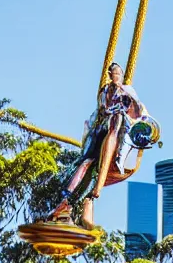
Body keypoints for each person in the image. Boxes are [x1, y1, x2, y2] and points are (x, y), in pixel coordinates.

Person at [48, 62, 148, 229]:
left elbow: (137, 111)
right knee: (86, 163)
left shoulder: (127, 90)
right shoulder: (104, 92)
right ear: (110, 75)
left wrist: (128, 102)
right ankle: (67, 204)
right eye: (113, 73)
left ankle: (92, 194)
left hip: (117, 129)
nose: (116, 76)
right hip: (102, 129)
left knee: (115, 125)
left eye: (118, 74)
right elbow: (98, 112)